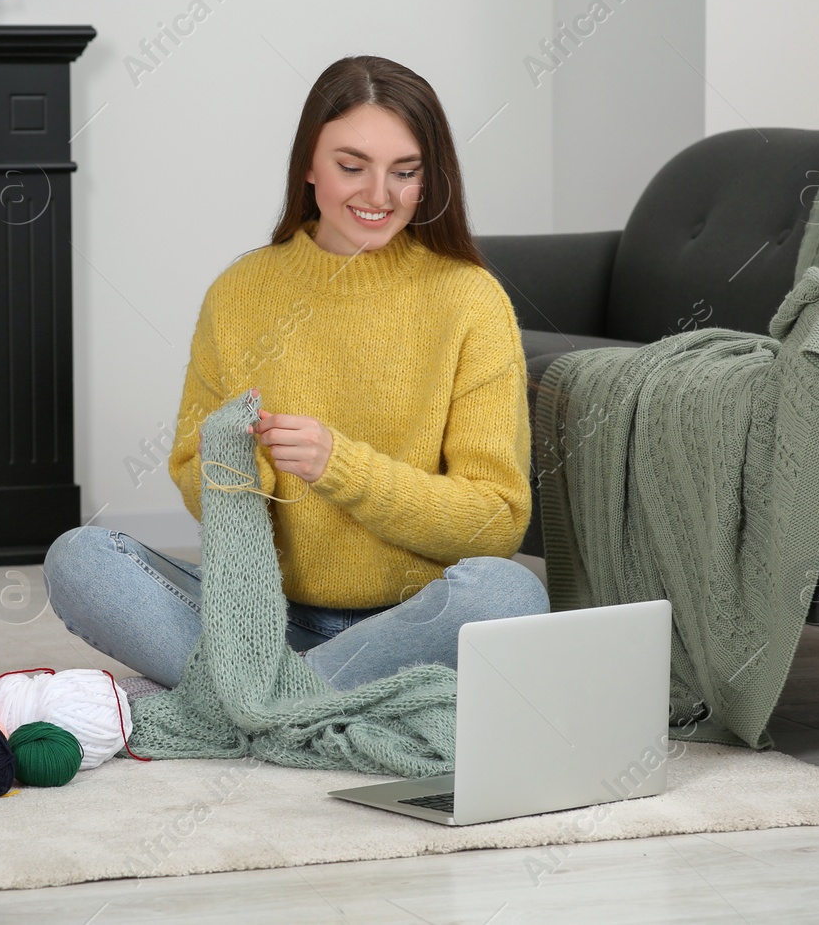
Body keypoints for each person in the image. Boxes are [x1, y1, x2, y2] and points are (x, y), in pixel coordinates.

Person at [44, 55, 549, 695]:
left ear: (430, 179)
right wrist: (234, 466)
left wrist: (339, 465)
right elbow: (192, 474)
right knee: (80, 560)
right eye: (351, 166)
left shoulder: (469, 300)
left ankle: (257, 698)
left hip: (414, 621)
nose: (378, 195)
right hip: (260, 618)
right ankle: (306, 696)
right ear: (309, 165)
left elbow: (497, 520)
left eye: (405, 172)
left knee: (510, 594)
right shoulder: (239, 292)